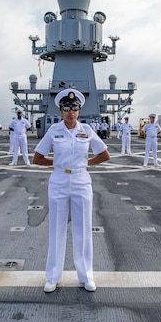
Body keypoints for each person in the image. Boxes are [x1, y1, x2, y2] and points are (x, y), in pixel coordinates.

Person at [32, 88, 109, 293]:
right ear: (61, 110)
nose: (70, 112)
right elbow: (37, 158)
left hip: (81, 180)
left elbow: (104, 154)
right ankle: (53, 277)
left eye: (74, 108)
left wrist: (86, 162)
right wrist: (57, 163)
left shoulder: (87, 130)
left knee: (83, 229)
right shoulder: (54, 131)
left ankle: (86, 276)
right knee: (56, 230)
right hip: (58, 180)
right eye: (66, 108)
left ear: (79, 110)